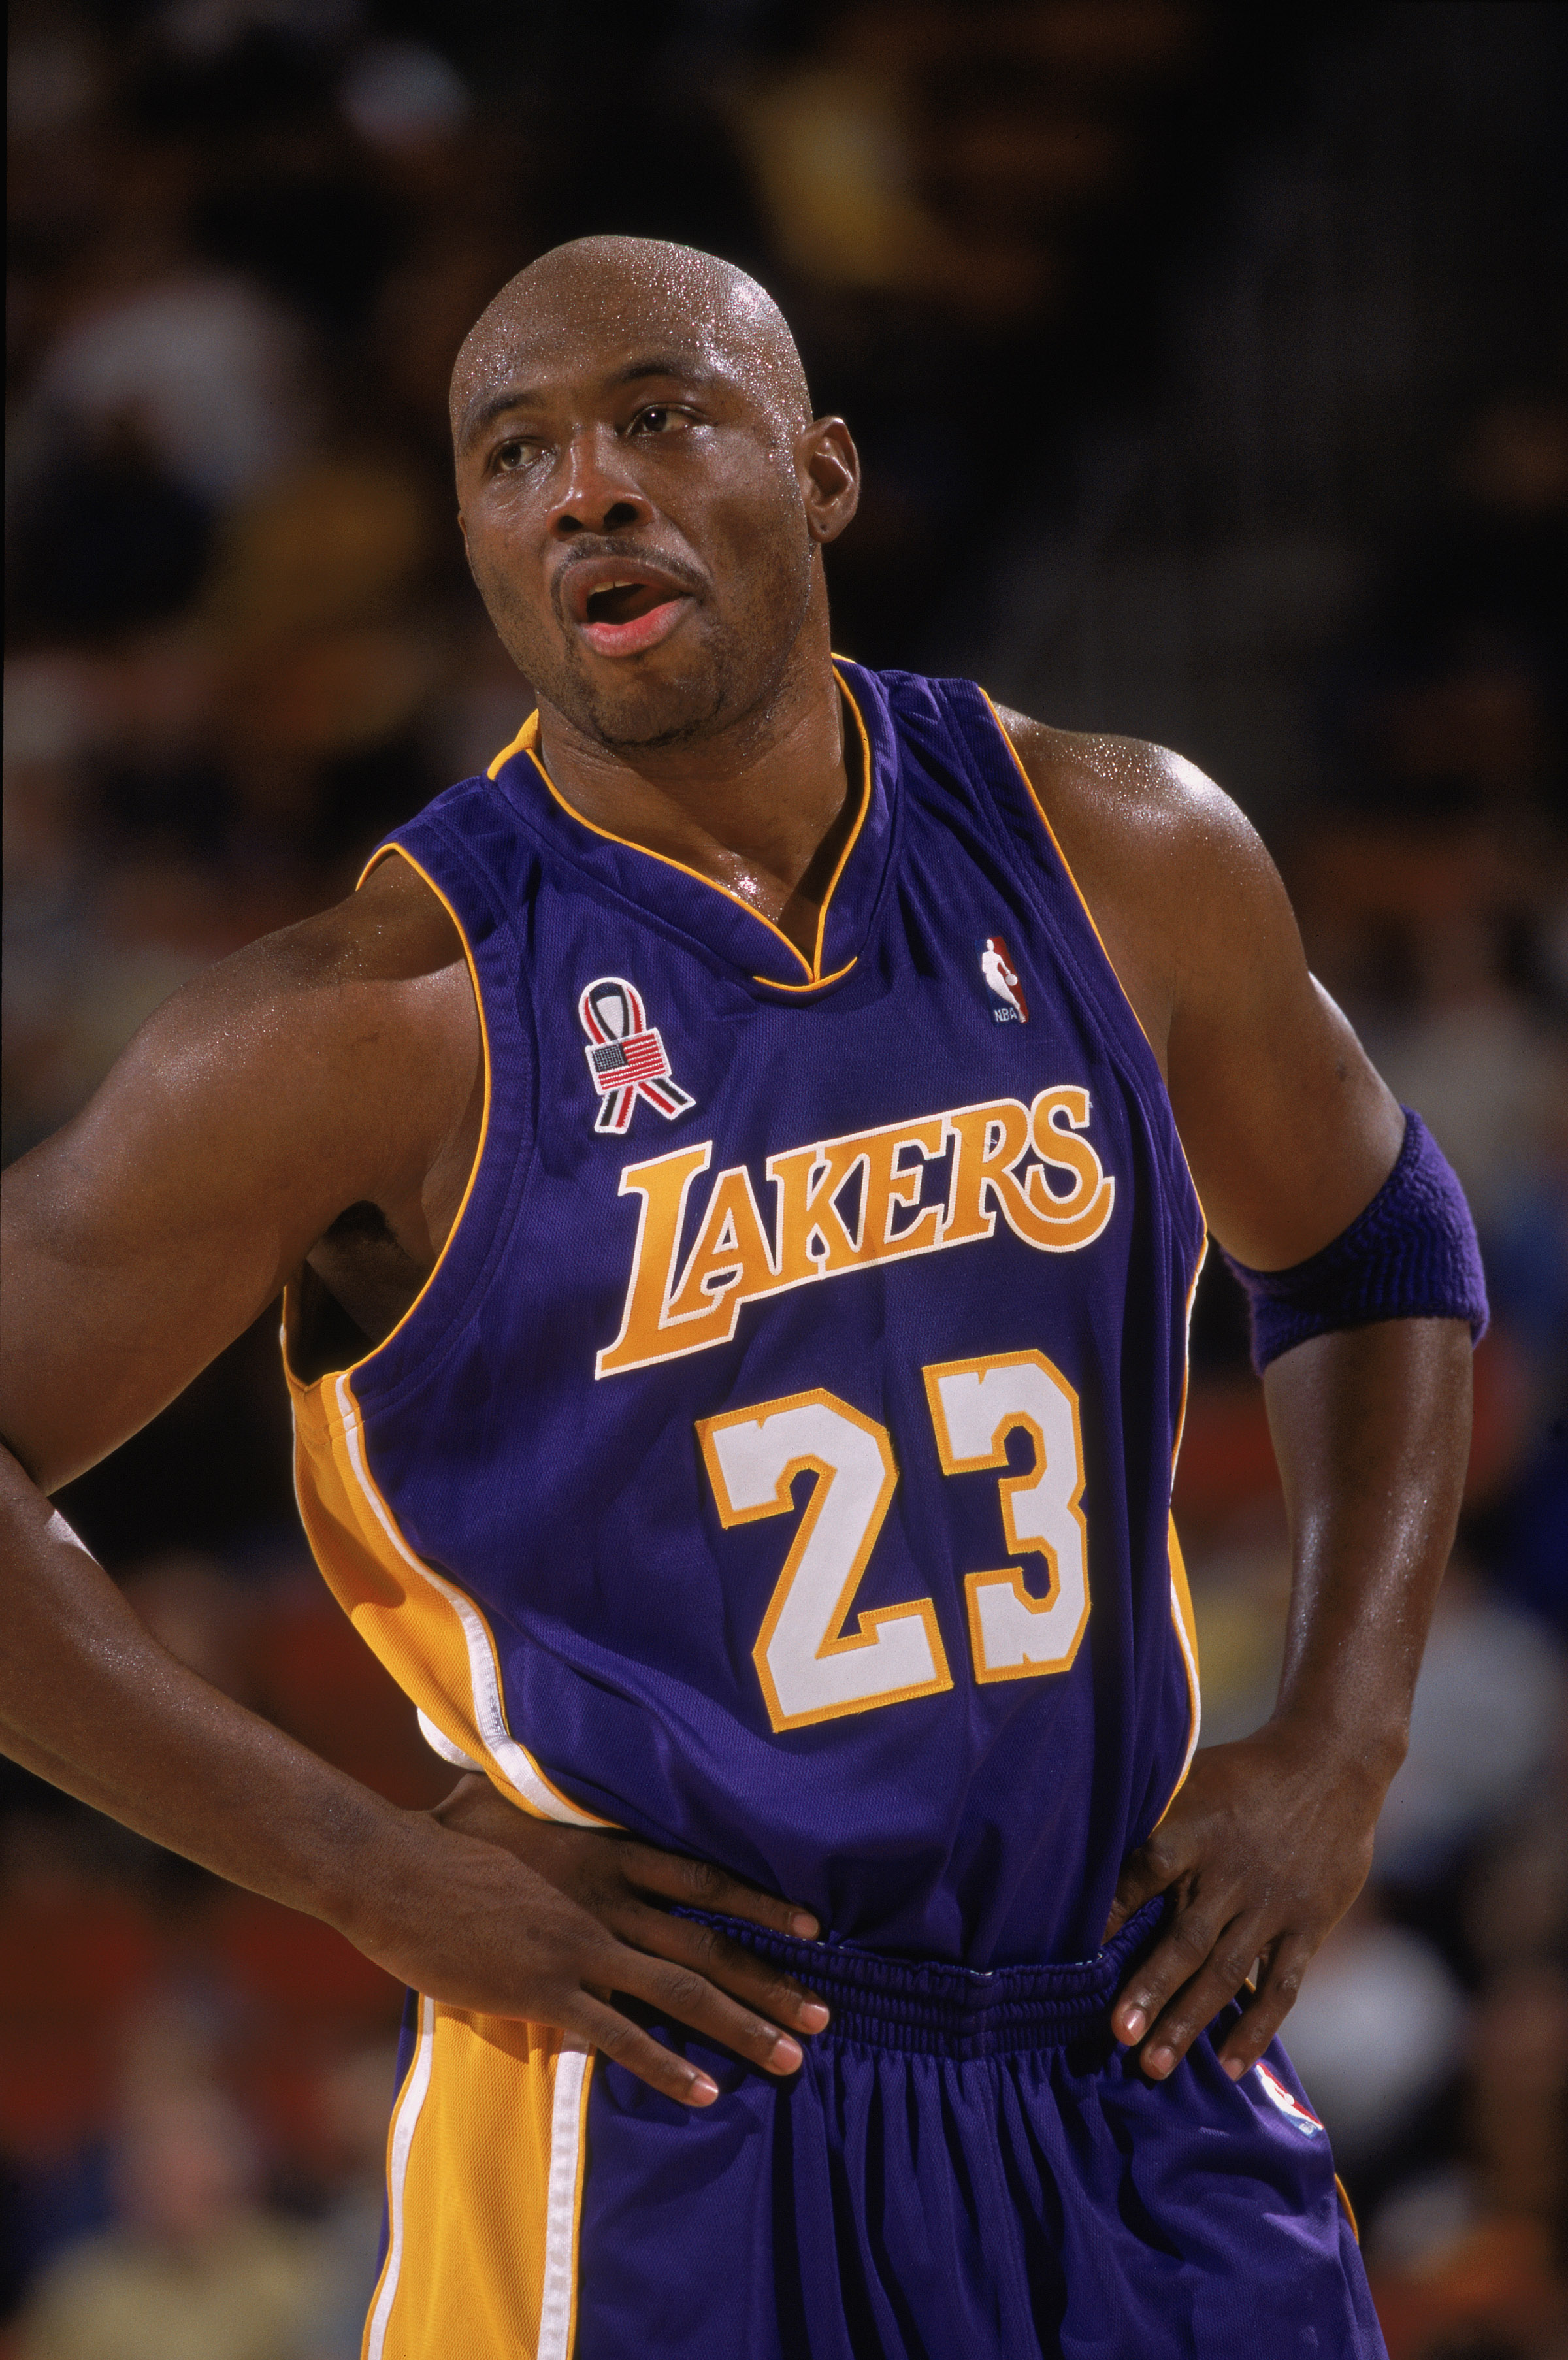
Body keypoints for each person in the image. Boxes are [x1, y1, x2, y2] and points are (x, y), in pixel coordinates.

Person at [0, 238, 1487, 2359]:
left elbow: (1372, 1235)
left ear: (826, 472)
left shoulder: (1119, 847)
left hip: (1128, 2049)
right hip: (674, 2108)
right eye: (515, 455)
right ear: (477, 543)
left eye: (657, 415)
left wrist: (1344, 1732)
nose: (585, 488)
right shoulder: (370, 1025)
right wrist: (363, 1868)